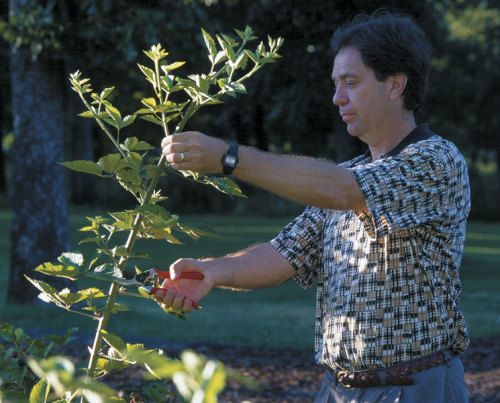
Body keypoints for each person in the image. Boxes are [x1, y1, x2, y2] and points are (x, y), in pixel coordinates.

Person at [157, 11, 470, 402]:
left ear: (395, 85)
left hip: (415, 388)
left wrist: (228, 158)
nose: (337, 98)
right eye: (336, 84)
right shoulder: (347, 174)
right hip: (338, 390)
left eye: (351, 83)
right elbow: (284, 253)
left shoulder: (435, 161)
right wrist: (213, 271)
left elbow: (347, 192)